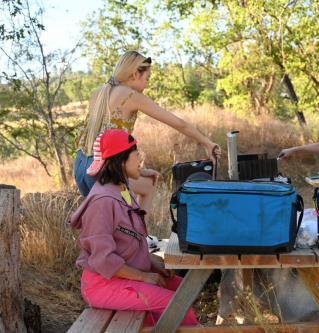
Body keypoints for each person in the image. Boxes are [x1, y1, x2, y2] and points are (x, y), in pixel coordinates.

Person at [70, 129, 198, 326]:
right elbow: (103, 259)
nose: (140, 159)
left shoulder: (122, 189)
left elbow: (132, 238)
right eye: (136, 155)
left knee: (184, 292)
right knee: (177, 307)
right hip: (104, 285)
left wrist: (153, 266)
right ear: (121, 160)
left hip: (125, 276)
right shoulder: (102, 202)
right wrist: (143, 276)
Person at [74, 50, 221, 217]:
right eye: (147, 78)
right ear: (135, 74)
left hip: (81, 168)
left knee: (146, 186)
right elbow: (178, 123)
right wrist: (207, 143)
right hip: (105, 172)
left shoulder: (98, 93)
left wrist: (138, 170)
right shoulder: (130, 95)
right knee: (124, 222)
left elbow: (101, 142)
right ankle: (138, 237)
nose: (147, 84)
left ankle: (140, 237)